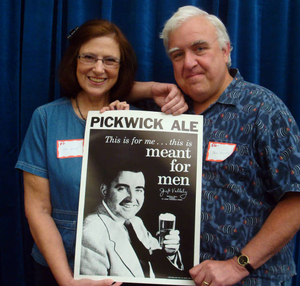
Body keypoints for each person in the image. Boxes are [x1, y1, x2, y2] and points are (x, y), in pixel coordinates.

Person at [132, 5, 300, 286]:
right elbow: (105, 86)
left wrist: (238, 265)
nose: (188, 63)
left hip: (251, 279)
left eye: (199, 49)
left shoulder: (263, 109)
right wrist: (152, 89)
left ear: (225, 51)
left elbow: (296, 199)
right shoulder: (167, 111)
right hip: (173, 277)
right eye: (177, 55)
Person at [15, 19, 186, 286]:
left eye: (110, 60)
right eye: (89, 58)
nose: (98, 68)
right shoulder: (46, 119)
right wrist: (67, 280)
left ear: (122, 67)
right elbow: (38, 209)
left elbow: (158, 257)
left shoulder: (139, 122)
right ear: (74, 61)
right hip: (59, 270)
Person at [80, 160, 184, 279]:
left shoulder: (135, 222)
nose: (132, 198)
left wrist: (170, 252)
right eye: (122, 189)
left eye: (138, 190)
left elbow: (156, 255)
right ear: (104, 190)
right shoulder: (91, 234)